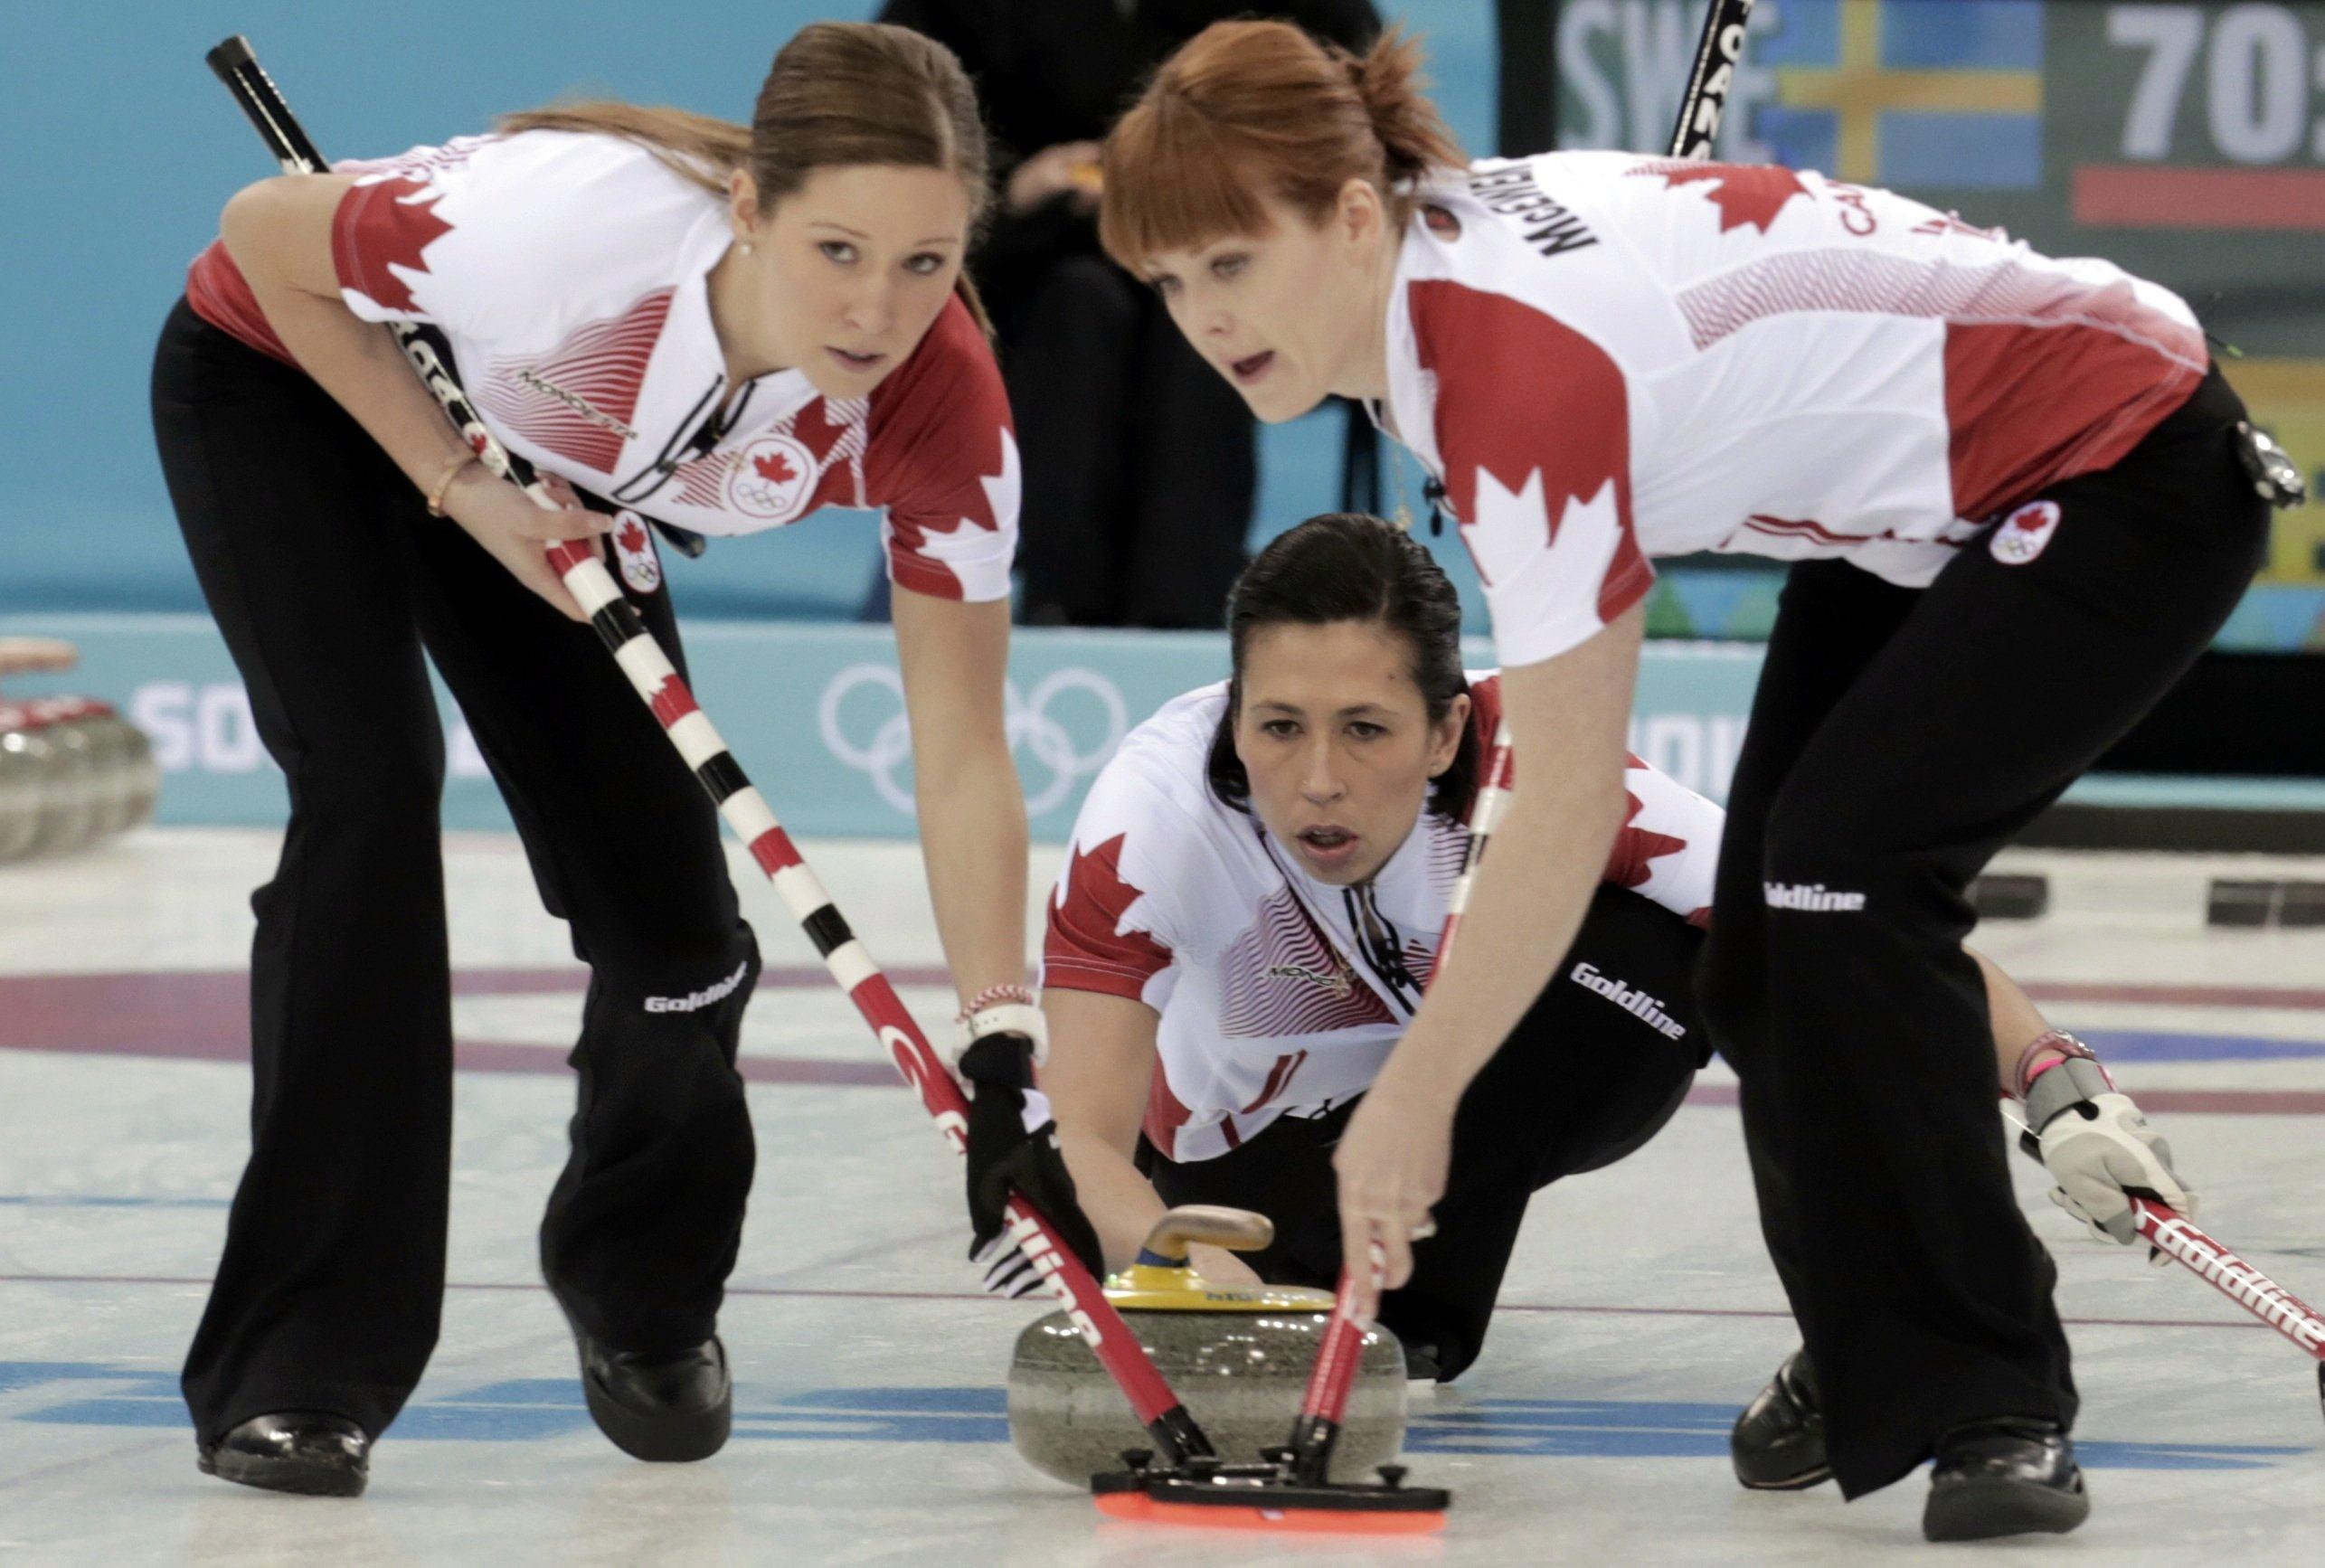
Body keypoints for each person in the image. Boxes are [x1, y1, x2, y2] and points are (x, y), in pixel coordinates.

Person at [1096, 20, 2264, 1541]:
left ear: (1352, 211)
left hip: (2119, 461)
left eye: (1232, 265)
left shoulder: (1510, 377)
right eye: (1171, 282)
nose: (1204, 318)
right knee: (1766, 950)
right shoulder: (1440, 275)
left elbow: (1566, 800)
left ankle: (1995, 1395)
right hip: (1914, 508)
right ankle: (1878, 1341)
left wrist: (1417, 1099)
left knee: (1846, 870)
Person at [155, 23, 1069, 1497]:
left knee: (681, 931)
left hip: (547, 471)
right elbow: (263, 238)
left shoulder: (938, 404)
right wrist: (449, 482)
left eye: (924, 261)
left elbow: (962, 756)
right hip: (297, 380)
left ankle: (640, 1284)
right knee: (371, 796)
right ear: (754, 209)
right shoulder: (565, 232)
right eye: (838, 250)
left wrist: (1002, 1046)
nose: (877, 309)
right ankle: (296, 1362)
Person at [1038, 514, 1715, 1377]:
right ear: (1235, 717)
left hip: (1473, 1103)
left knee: (1653, 947)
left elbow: (1808, 937)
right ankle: (1317, 1283)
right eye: (1279, 728)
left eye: (1365, 730)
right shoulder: (1153, 823)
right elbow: (1079, 1138)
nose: (1319, 781)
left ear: (1443, 733)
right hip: (1249, 1166)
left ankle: (1412, 1315)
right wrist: (1170, 1260)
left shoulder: (1533, 760)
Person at [874, 0, 1378, 628]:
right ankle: (1062, 605)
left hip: (1238, 252)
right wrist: (1008, 191)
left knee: (1200, 327)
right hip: (1016, 272)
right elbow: (890, 126)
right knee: (1080, 307)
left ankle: (1187, 611)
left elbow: (1354, 117)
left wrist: (1237, 192)